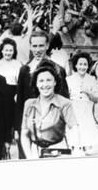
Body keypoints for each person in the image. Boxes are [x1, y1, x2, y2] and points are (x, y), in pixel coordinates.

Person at [15, 31, 70, 159]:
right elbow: (20, 103)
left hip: (52, 130)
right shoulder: (24, 70)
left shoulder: (58, 70)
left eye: (41, 46)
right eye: (34, 46)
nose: (37, 49)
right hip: (29, 128)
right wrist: (18, 129)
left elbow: (65, 101)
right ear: (30, 47)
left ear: (47, 46)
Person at [20, 66, 80, 159]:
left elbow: (74, 128)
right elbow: (24, 134)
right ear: (36, 84)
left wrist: (76, 149)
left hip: (58, 152)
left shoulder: (64, 103)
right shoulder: (29, 104)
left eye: (49, 80)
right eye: (41, 81)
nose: (45, 84)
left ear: (55, 82)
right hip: (34, 152)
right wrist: (29, 156)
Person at [67, 52, 98, 155]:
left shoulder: (92, 79)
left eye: (85, 64)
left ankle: (87, 147)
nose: (82, 67)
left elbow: (97, 99)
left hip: (86, 111)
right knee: (75, 133)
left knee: (87, 135)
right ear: (76, 65)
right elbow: (65, 98)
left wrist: (88, 92)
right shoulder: (69, 80)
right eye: (80, 64)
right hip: (74, 110)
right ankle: (75, 147)